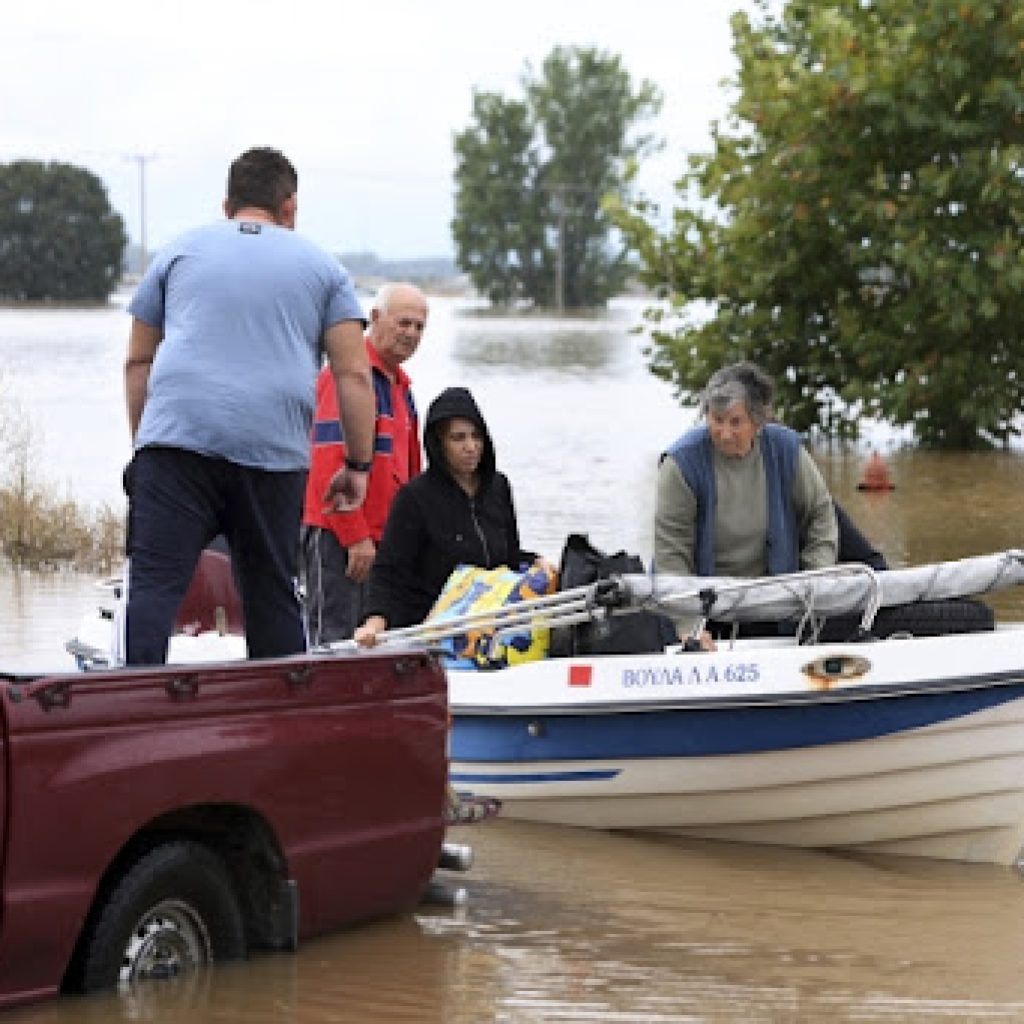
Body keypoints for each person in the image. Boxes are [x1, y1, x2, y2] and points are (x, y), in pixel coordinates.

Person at [122, 146, 375, 665]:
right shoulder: (325, 270)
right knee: (272, 594)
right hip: (273, 454)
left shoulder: (176, 253)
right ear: (290, 207)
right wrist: (357, 465)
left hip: (174, 444)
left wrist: (145, 447)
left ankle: (132, 703)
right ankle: (281, 714)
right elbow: (353, 375)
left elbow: (137, 364)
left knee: (152, 589)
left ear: (226, 205)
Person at [654, 361, 838, 645]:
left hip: (775, 601)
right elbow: (671, 554)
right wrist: (689, 627)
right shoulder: (681, 464)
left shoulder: (786, 451)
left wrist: (813, 585)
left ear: (758, 421)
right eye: (716, 420)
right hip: (703, 606)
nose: (725, 433)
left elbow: (820, 517)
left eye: (735, 422)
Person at [353, 386, 538, 647]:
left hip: (489, 625)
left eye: (476, 437)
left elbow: (509, 556)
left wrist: (537, 562)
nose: (470, 447)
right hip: (431, 627)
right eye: (458, 438)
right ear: (439, 443)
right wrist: (374, 621)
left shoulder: (499, 487)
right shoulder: (414, 497)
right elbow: (389, 572)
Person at [300, 282, 428, 644]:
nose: (411, 334)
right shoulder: (346, 379)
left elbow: (411, 473)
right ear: (374, 318)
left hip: (384, 542)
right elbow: (326, 464)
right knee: (334, 640)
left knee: (379, 638)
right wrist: (355, 537)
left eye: (419, 327)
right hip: (340, 538)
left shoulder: (402, 388)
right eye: (403, 322)